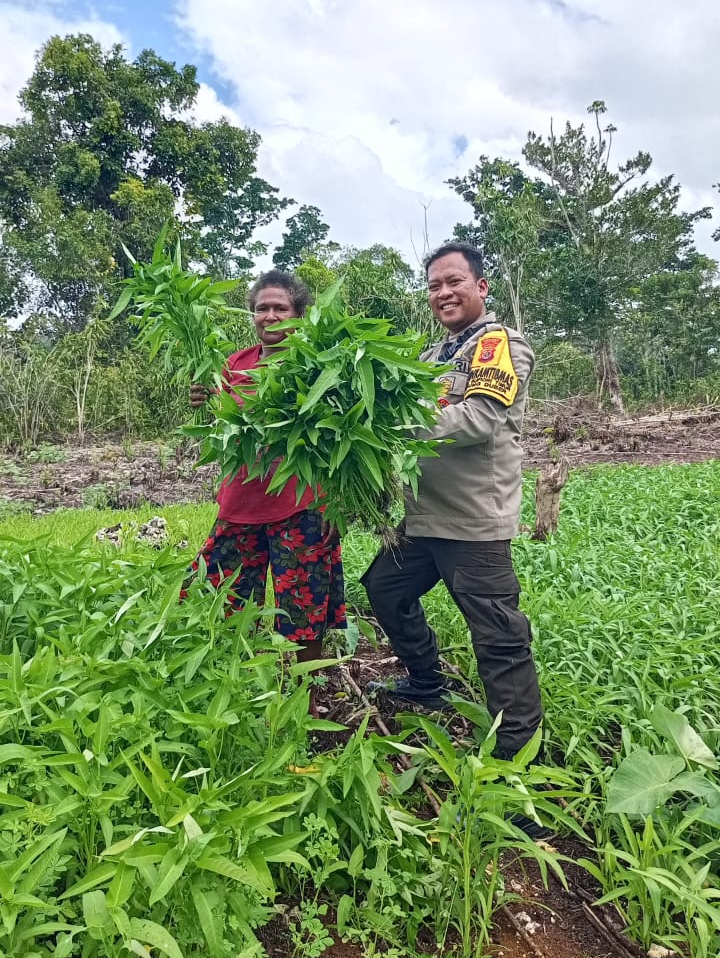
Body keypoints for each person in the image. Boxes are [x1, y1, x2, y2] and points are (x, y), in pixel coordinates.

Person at [362, 241, 542, 761]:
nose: (443, 293)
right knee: (385, 589)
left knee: (499, 640)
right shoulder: (428, 357)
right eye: (434, 286)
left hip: (472, 522)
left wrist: (390, 426)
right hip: (423, 518)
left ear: (481, 287)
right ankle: (426, 682)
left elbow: (478, 419)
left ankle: (518, 760)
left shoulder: (497, 345)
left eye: (454, 282)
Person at [180, 269, 346, 710]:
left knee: (303, 613)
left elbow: (340, 440)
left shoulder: (319, 365)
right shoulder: (234, 364)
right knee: (223, 600)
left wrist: (335, 506)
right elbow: (223, 432)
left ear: (299, 314)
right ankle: (237, 692)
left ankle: (303, 702)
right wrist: (205, 404)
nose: (269, 316)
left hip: (302, 507)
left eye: (280, 308)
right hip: (240, 505)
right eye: (261, 308)